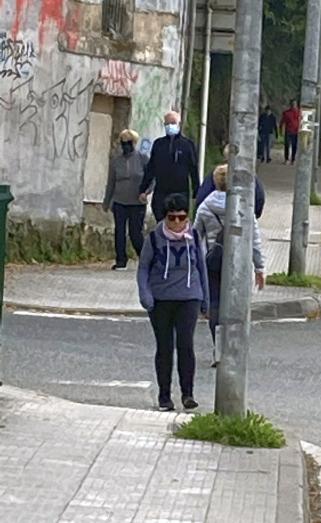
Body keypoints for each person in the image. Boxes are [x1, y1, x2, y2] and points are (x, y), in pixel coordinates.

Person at [137, 193, 209, 411]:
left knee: (186, 345)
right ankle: (164, 395)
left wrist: (205, 298)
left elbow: (201, 268)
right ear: (165, 217)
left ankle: (188, 394)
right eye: (172, 218)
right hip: (160, 299)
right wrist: (145, 295)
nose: (177, 223)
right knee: (165, 346)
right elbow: (143, 268)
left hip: (189, 297)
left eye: (181, 217)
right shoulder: (154, 238)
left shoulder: (194, 237)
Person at [194, 165, 266, 365]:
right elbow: (255, 240)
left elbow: (194, 236)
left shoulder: (205, 206)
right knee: (237, 306)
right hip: (239, 264)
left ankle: (218, 350)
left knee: (215, 305)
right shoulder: (244, 206)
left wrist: (194, 264)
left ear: (215, 182)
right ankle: (234, 349)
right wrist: (259, 267)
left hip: (213, 261)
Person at [138, 111, 199, 222]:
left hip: (180, 191)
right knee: (161, 220)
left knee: (177, 221)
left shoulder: (187, 145)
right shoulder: (159, 144)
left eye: (173, 123)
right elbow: (151, 168)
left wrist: (196, 191)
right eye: (168, 123)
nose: (170, 126)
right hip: (161, 191)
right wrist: (143, 189)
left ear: (179, 124)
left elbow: (193, 168)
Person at [102, 129, 148, 271]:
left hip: (137, 202)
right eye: (123, 143)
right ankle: (121, 260)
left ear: (134, 143)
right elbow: (111, 182)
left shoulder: (142, 159)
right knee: (119, 232)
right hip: (120, 201)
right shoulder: (116, 161)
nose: (125, 146)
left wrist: (146, 192)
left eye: (128, 143)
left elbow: (151, 179)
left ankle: (145, 259)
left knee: (135, 233)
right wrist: (107, 201)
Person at [195, 144, 265, 219]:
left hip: (214, 221)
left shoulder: (216, 174)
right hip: (243, 219)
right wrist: (252, 215)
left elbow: (201, 198)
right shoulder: (249, 176)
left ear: (225, 156)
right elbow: (260, 197)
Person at [280, 100, 300, 165]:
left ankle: (293, 159)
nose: (294, 105)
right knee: (287, 145)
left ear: (296, 105)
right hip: (288, 131)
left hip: (296, 132)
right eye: (292, 104)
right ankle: (286, 159)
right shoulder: (286, 113)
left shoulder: (299, 112)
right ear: (290, 105)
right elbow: (282, 122)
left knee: (294, 146)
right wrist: (281, 130)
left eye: (295, 104)